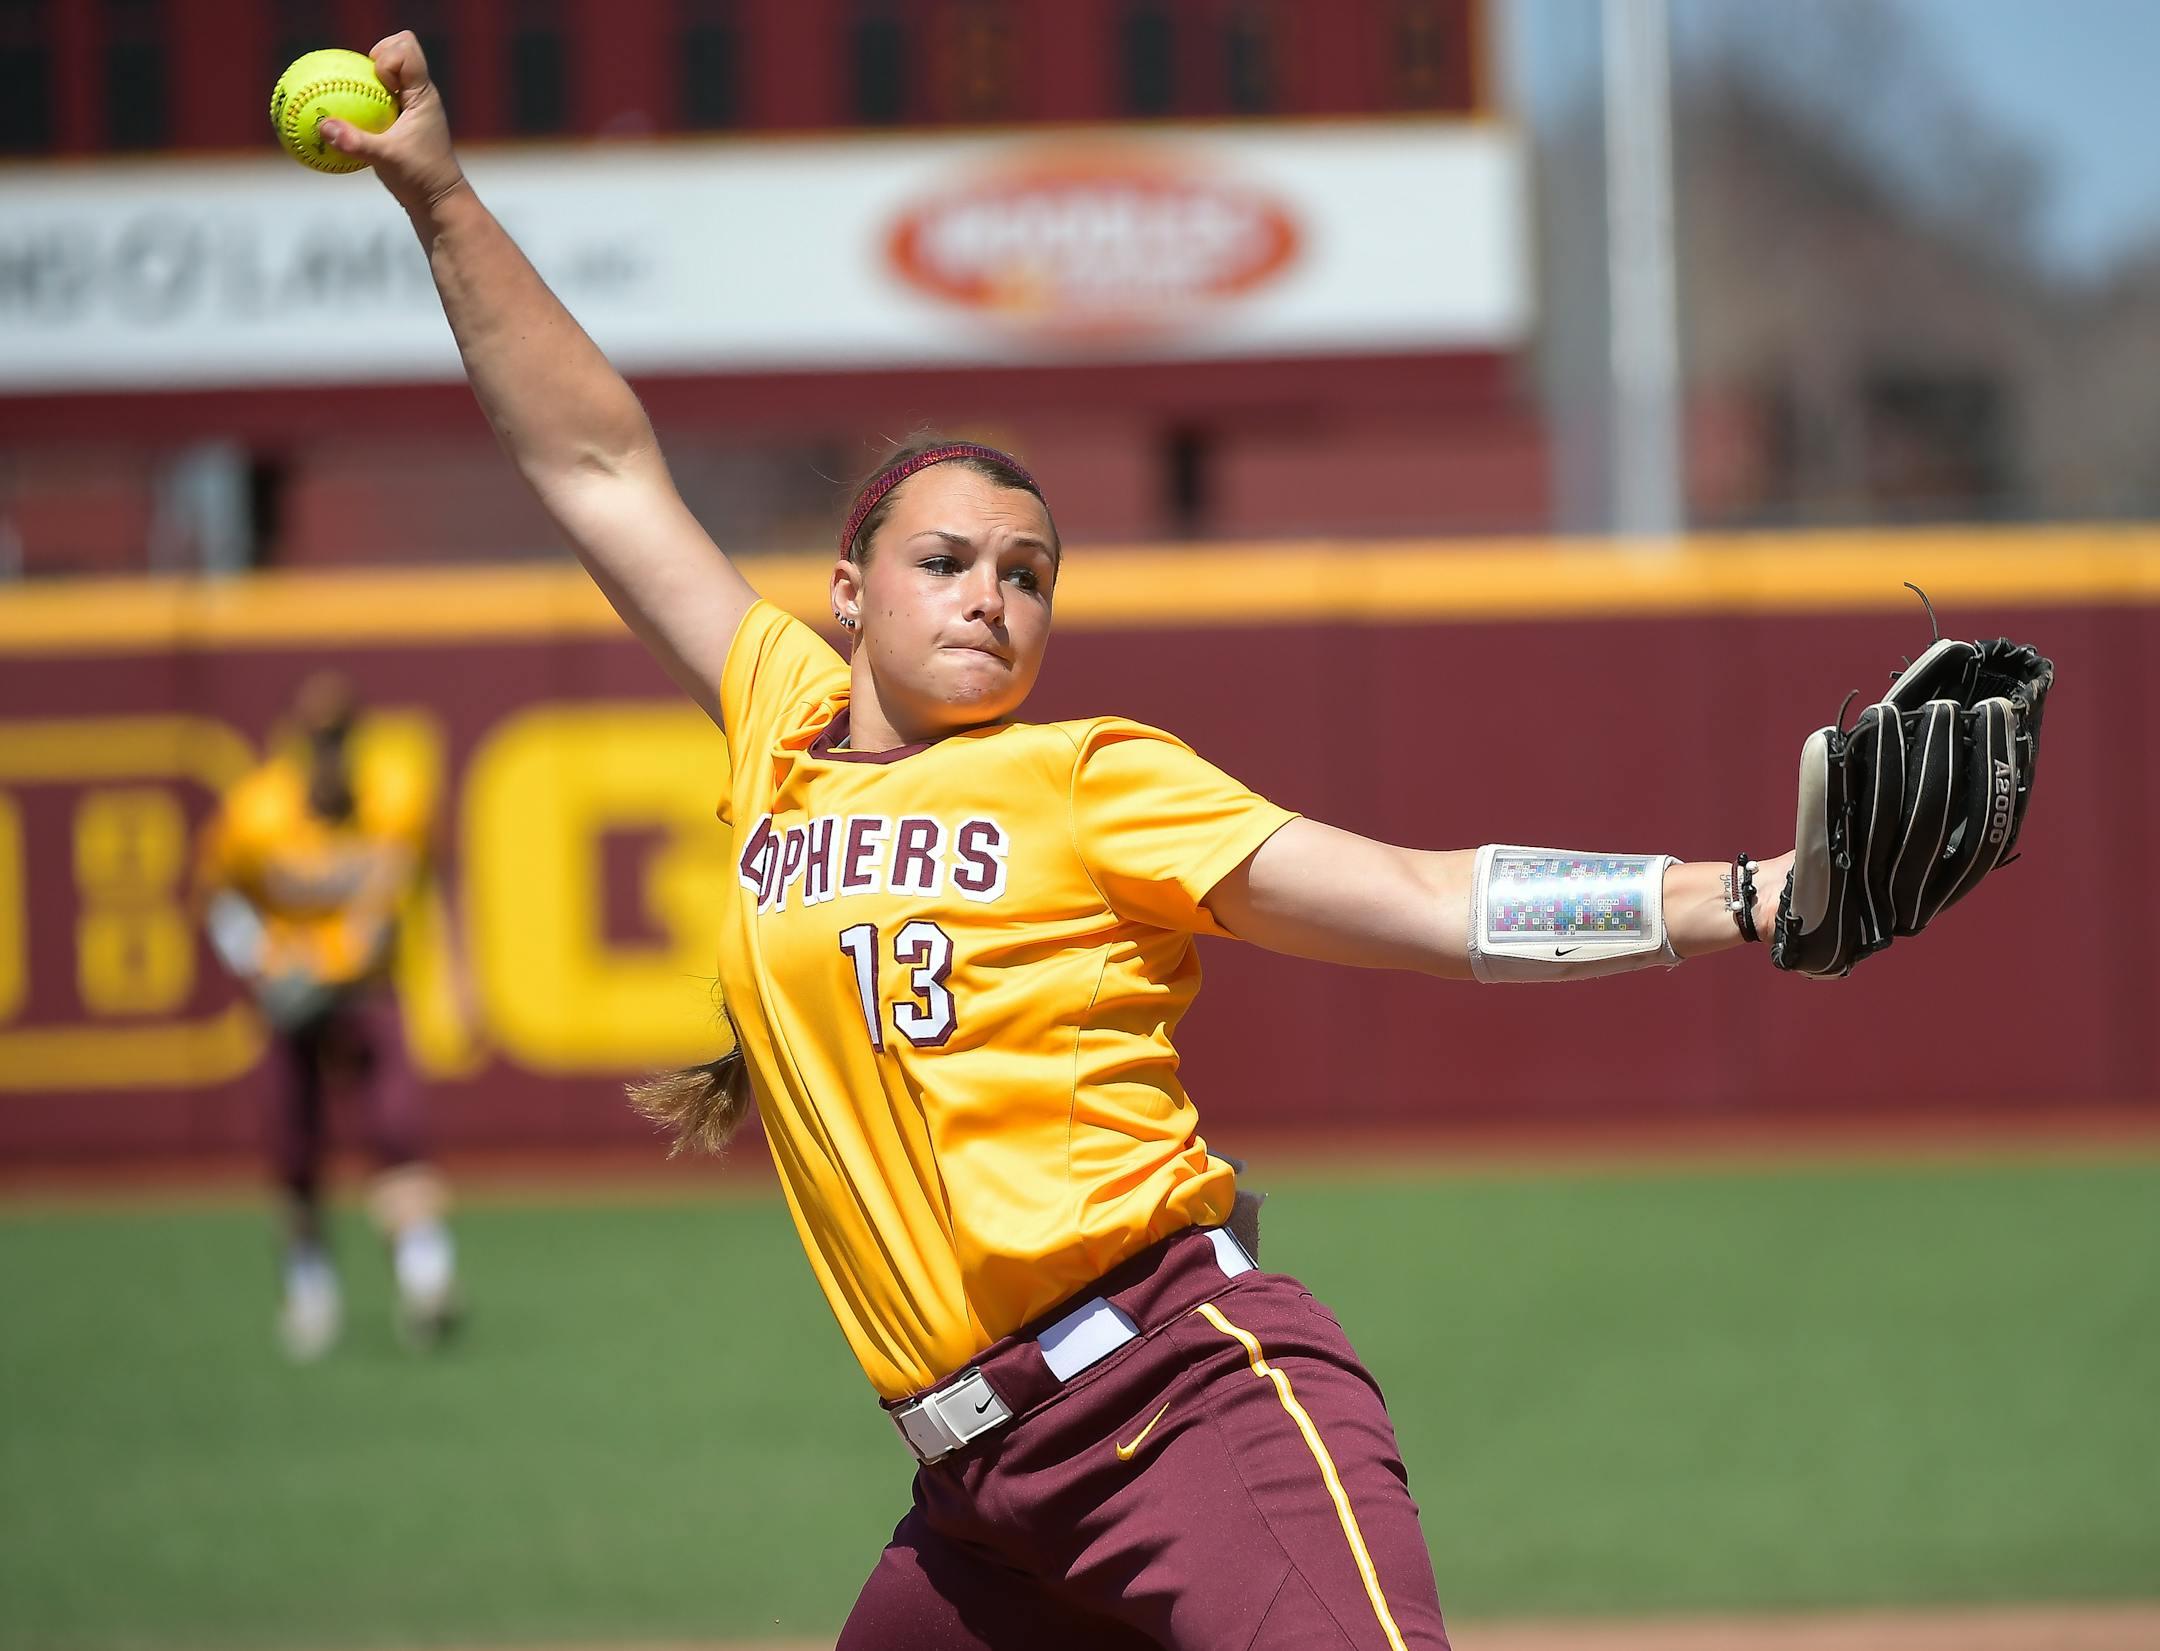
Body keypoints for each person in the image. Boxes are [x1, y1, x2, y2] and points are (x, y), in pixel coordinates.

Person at [324, 38, 1796, 1647]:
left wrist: (1746, 896)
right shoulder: (778, 720)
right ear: (846, 589)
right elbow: (594, 463)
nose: (990, 593)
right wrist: (445, 200)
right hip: (975, 1501)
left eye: (1027, 572)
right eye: (945, 557)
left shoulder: (1086, 775)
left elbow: (1427, 899)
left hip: (1184, 1407)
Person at [197, 670, 461, 1361]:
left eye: (341, 738)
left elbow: (426, 878)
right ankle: (311, 1291)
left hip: (367, 990)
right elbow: (220, 897)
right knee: (293, 1149)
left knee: (398, 1132)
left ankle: (426, 1280)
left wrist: (451, 967)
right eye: (320, 739)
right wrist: (259, 961)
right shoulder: (257, 813)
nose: (331, 752)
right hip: (292, 1000)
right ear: (296, 744)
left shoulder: (394, 800)